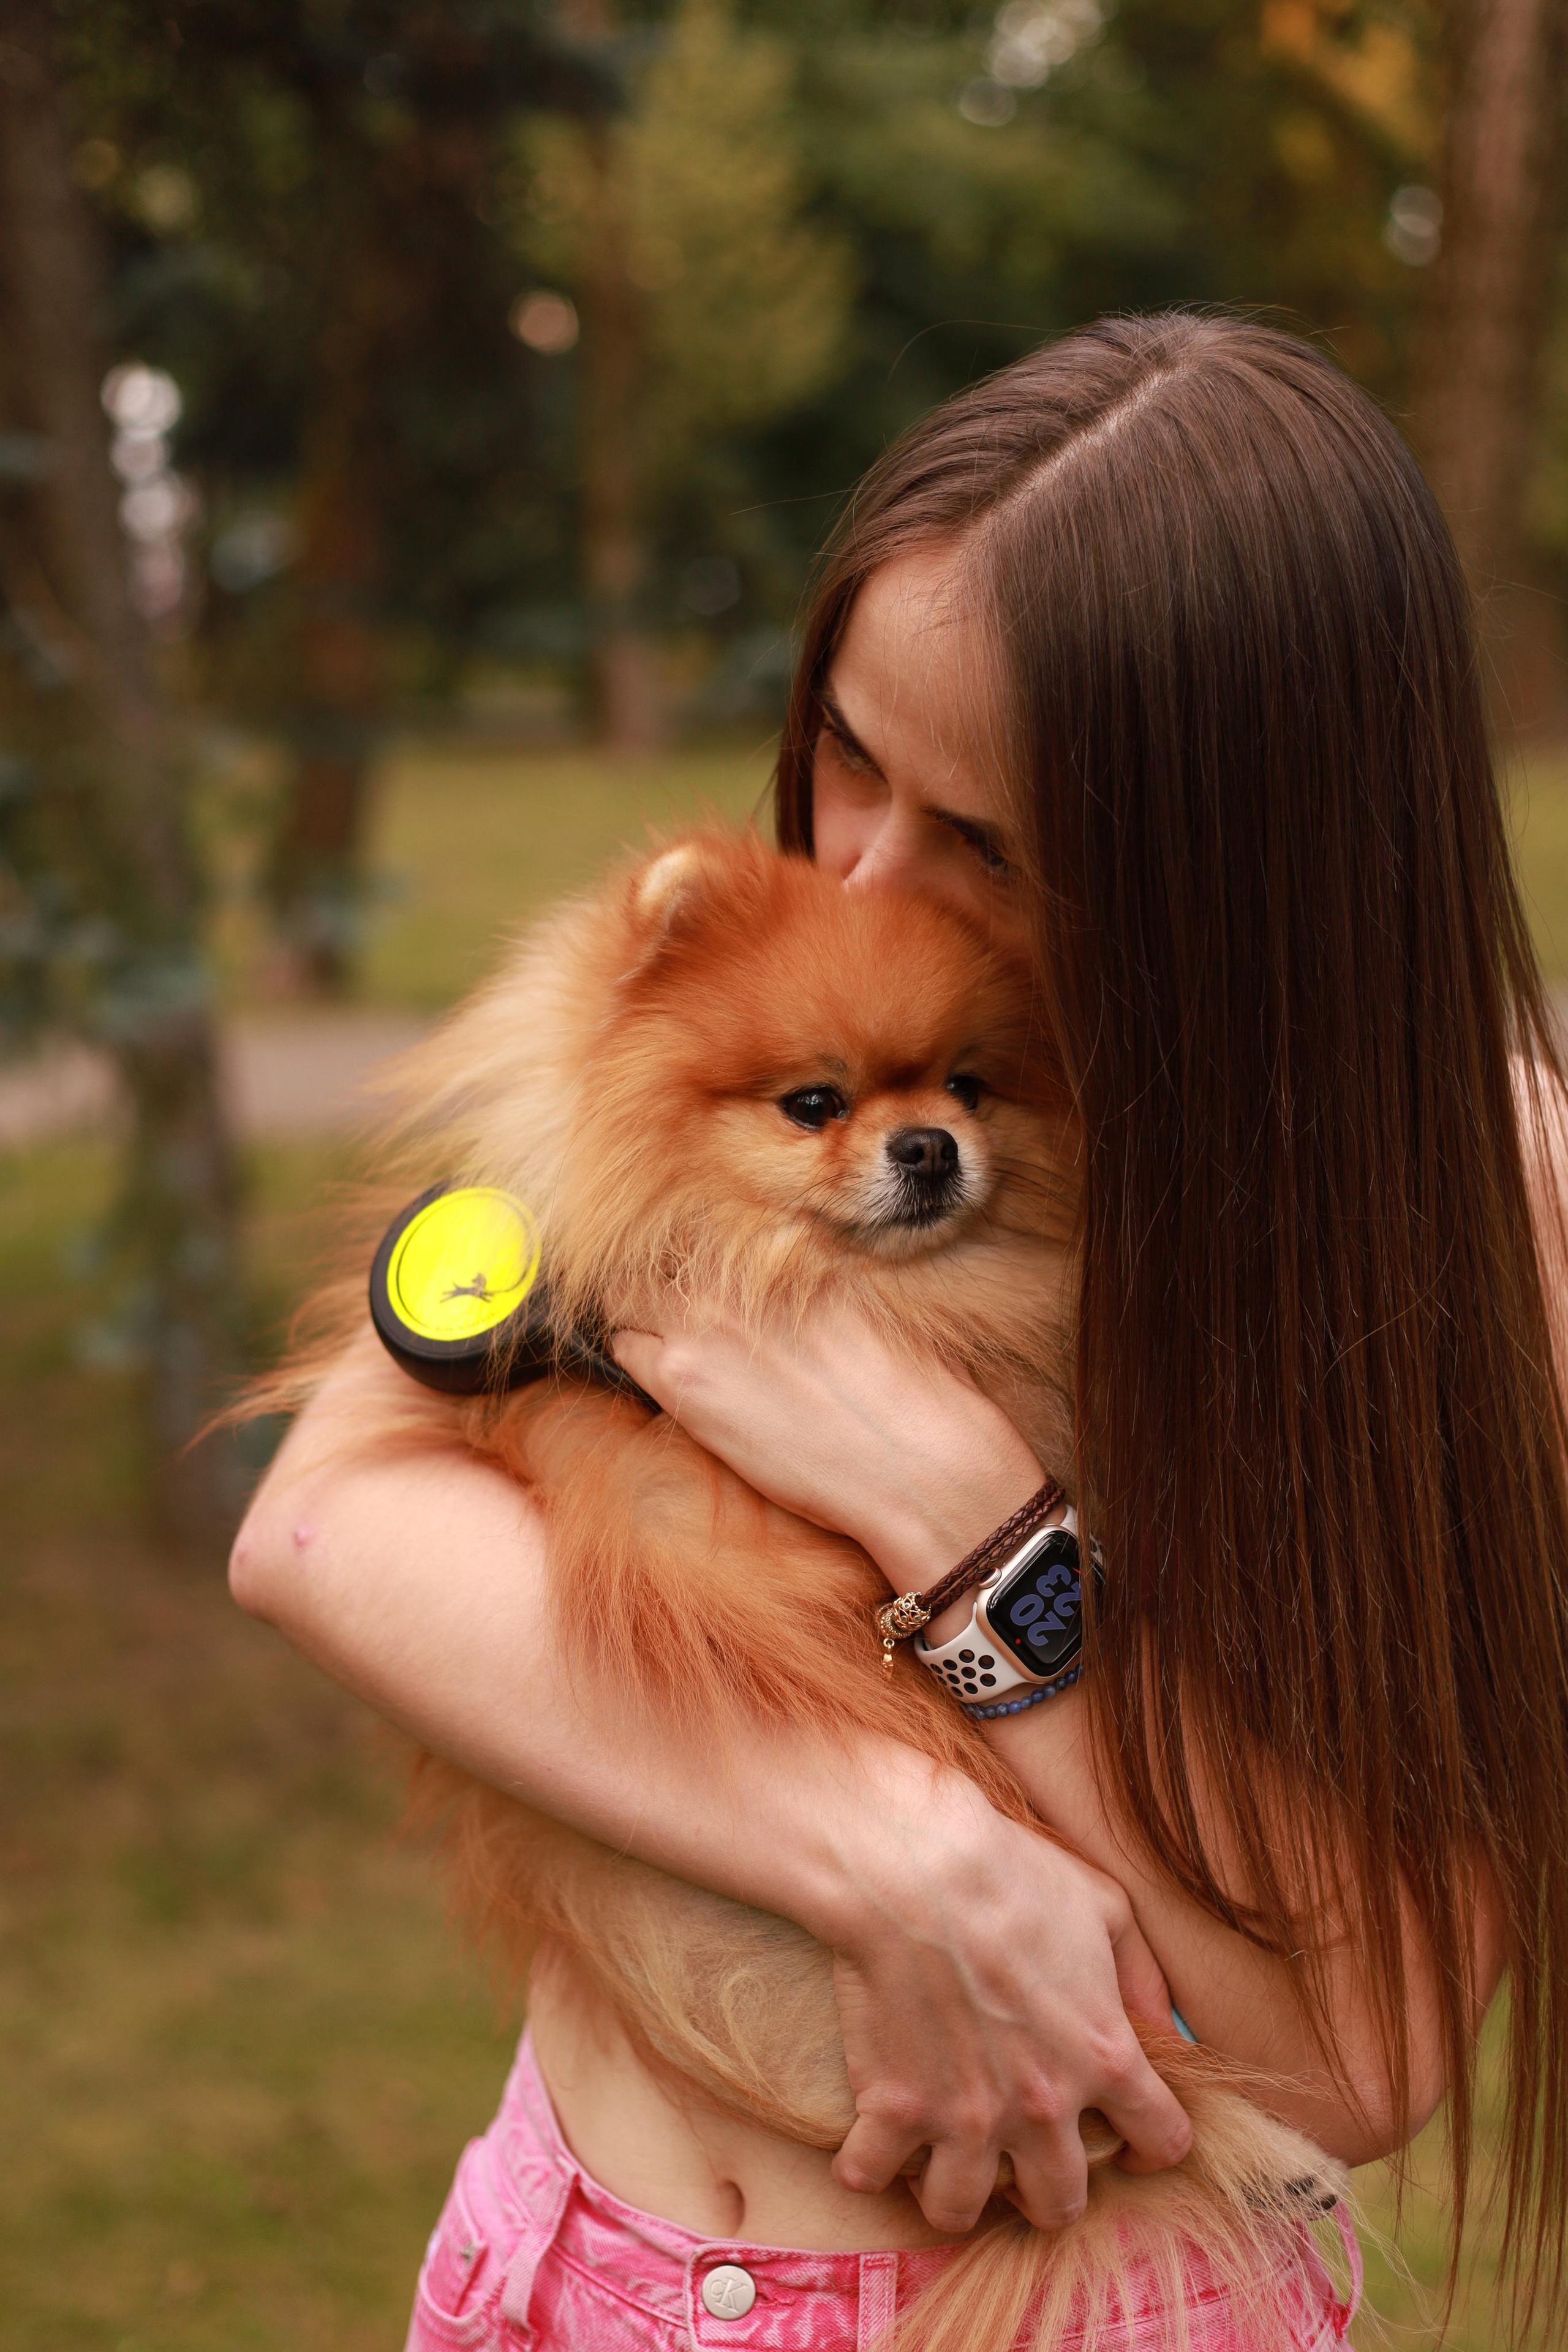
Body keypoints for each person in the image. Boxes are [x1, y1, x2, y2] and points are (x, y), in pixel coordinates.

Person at [230, 313, 1568, 2344]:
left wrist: (973, 1527)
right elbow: (324, 1526)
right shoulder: (738, 1020)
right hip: (567, 2261)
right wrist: (902, 1854)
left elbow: (1354, 2059)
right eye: (850, 748)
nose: (862, 869)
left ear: (1239, 877)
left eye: (996, 842)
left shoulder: (1484, 1211)